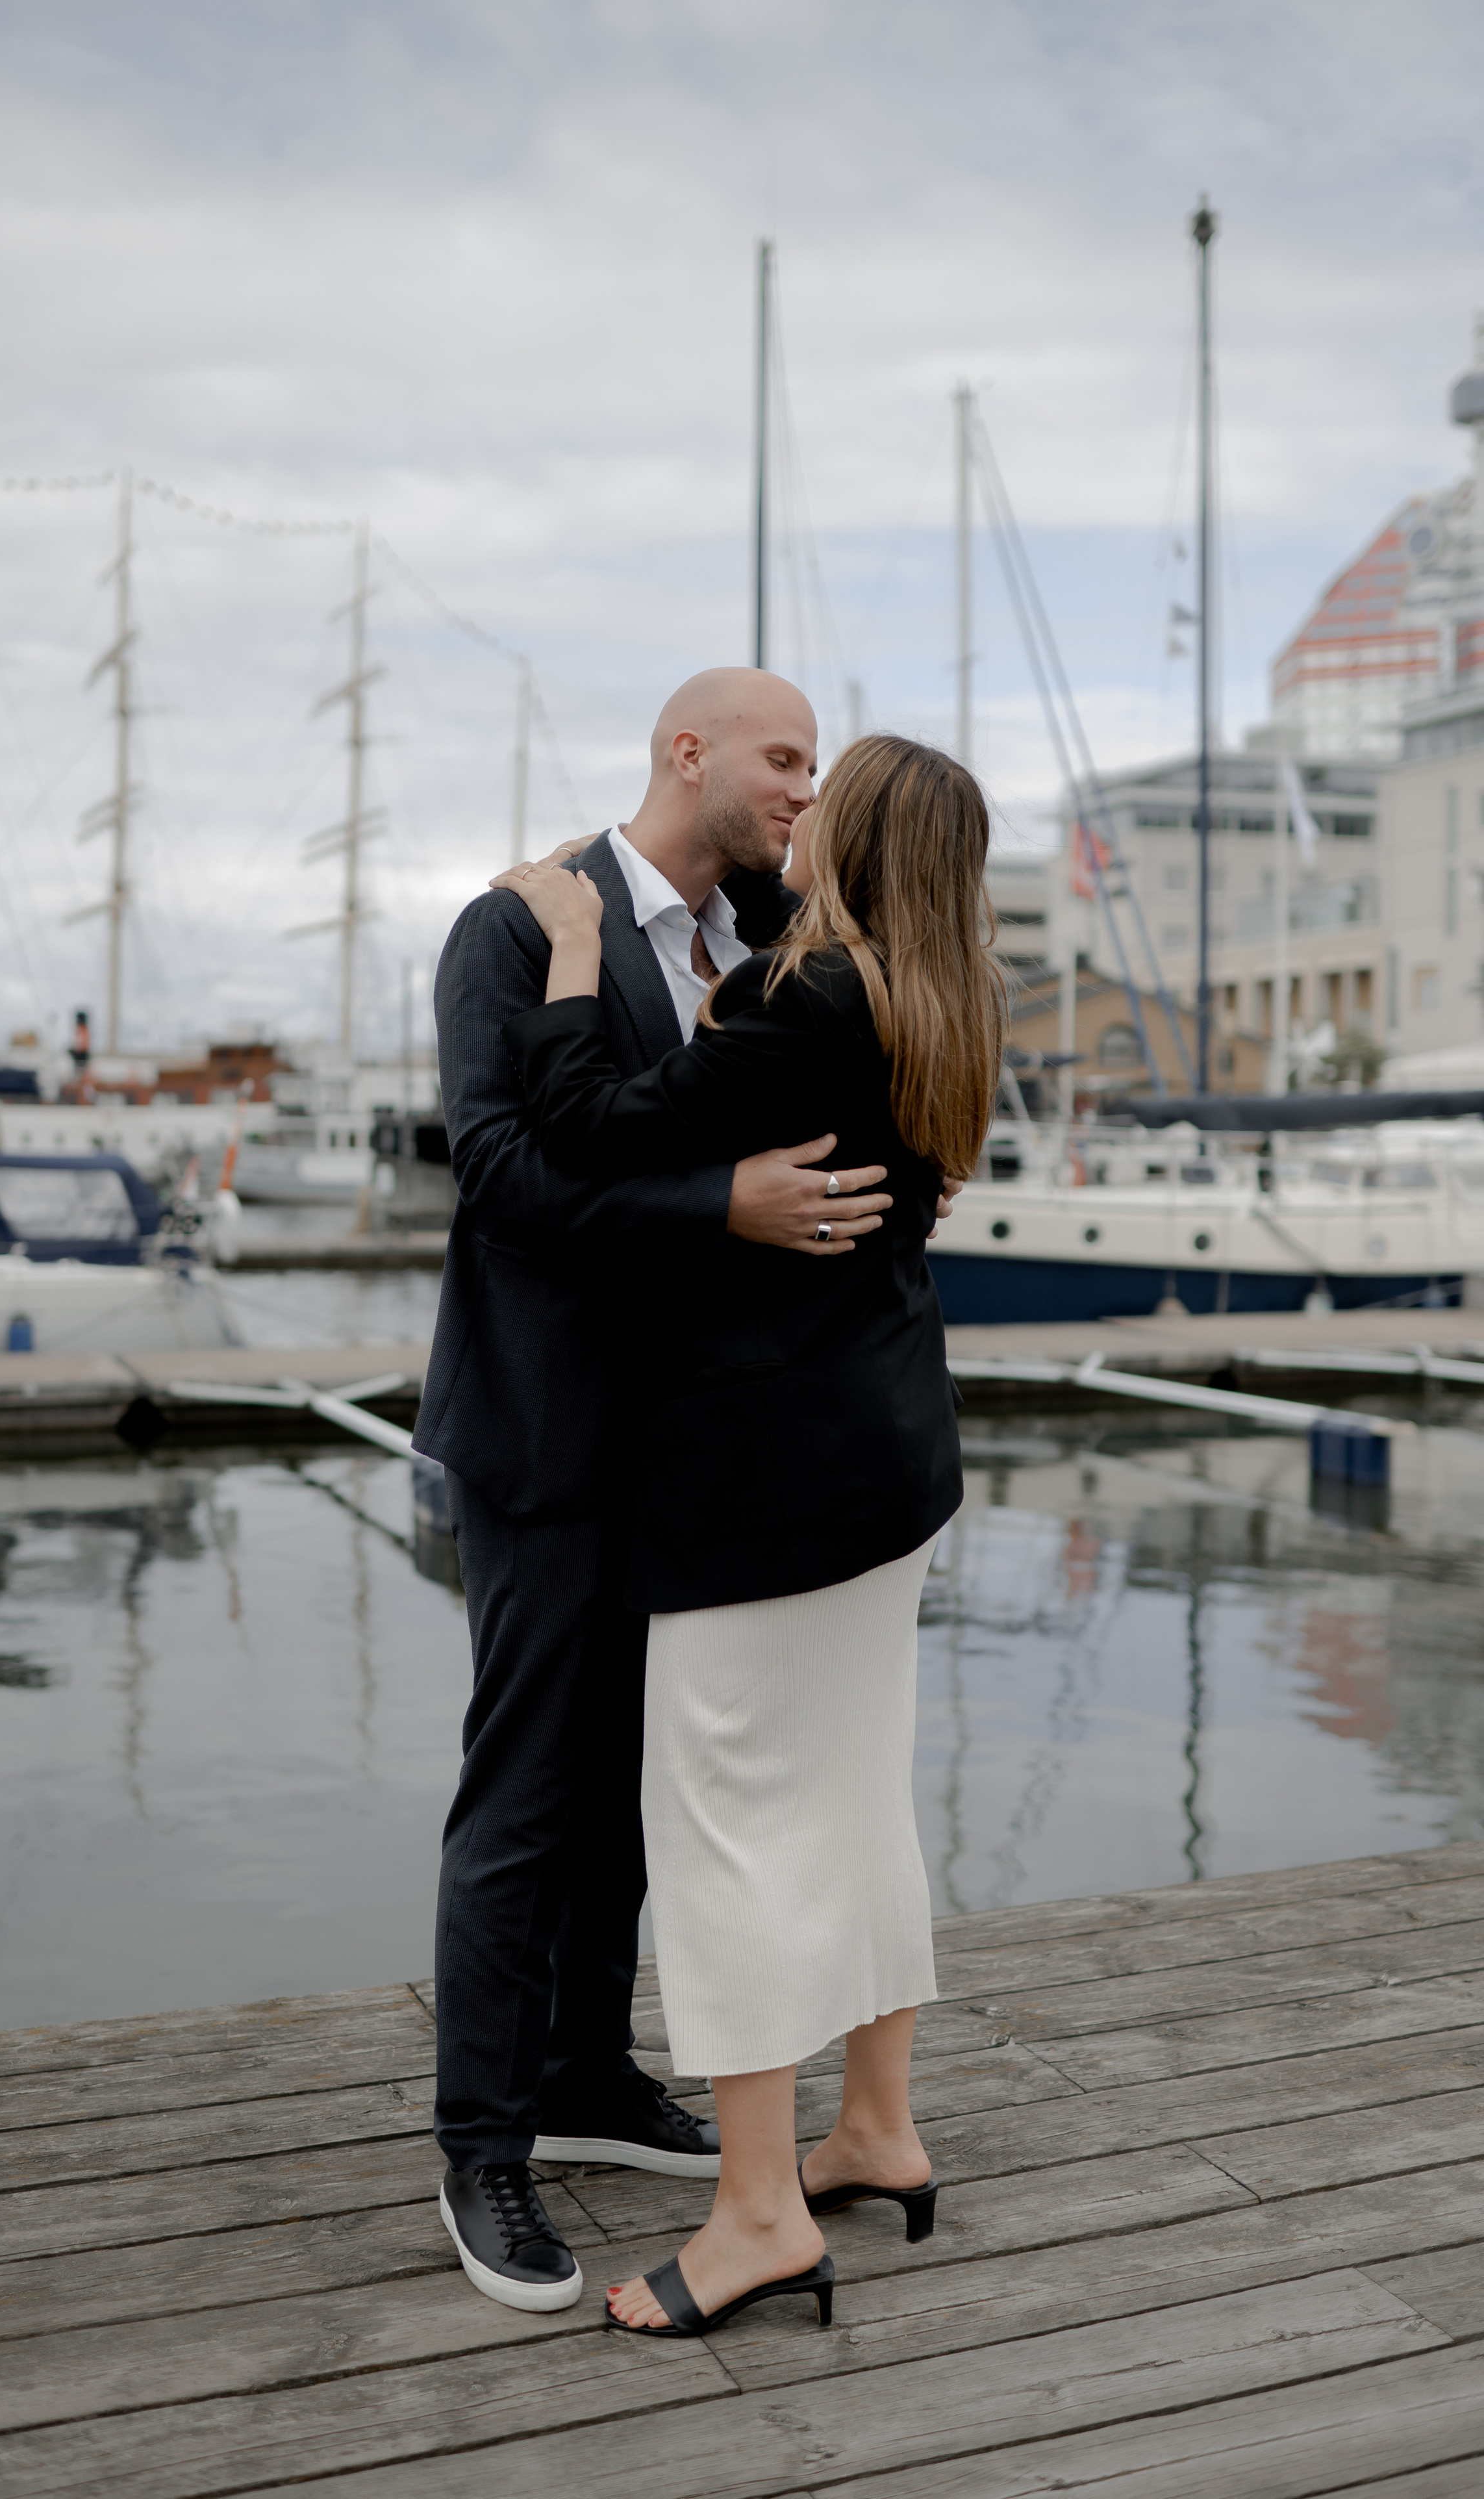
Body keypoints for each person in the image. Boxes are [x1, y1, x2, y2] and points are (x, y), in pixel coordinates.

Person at [492, 729, 1004, 2338]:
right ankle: (875, 2125)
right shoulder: (933, 994)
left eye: (818, 789)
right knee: (853, 1804)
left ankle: (759, 2213)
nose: (797, 813)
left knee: (721, 1831)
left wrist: (577, 943)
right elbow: (806, 897)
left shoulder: (811, 999)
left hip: (766, 1492)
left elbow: (583, 1118)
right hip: (884, 1467)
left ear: (853, 833)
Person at [414, 669, 906, 2315]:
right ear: (681, 750)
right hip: (547, 1435)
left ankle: (585, 2073)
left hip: (695, 1454)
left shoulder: (778, 922)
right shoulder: (518, 923)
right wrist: (721, 1209)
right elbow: (497, 1168)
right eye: (781, 757)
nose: (801, 785)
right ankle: (480, 2137)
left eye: (817, 764)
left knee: (643, 1786)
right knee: (525, 1792)